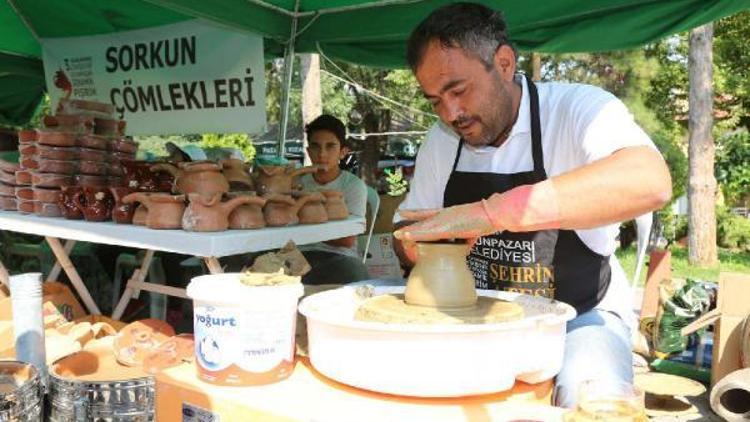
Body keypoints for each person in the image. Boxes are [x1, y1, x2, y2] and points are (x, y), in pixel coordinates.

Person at [392, 3, 672, 408]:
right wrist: (412, 246)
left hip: (580, 316)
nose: (450, 113)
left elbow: (649, 180)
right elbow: (404, 232)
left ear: (504, 63)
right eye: (435, 100)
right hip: (474, 319)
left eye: (458, 90)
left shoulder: (577, 109)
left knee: (589, 400)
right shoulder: (442, 141)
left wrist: (493, 213)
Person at [298, 114, 370, 285]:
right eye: (315, 146)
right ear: (308, 151)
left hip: (339, 256)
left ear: (343, 152)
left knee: (357, 278)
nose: (322, 154)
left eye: (330, 146)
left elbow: (347, 240)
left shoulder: (353, 186)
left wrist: (302, 228)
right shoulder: (297, 182)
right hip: (298, 253)